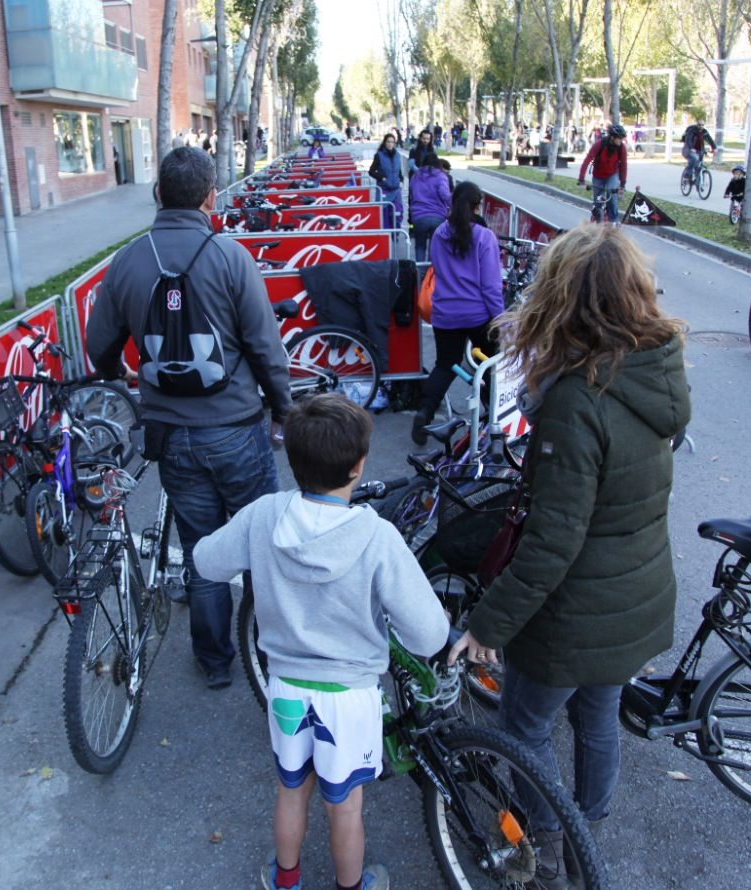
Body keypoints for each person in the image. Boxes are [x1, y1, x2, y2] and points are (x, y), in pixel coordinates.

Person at [447, 225, 691, 890]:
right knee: (597, 710)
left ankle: (550, 852)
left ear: (565, 301)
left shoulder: (576, 401)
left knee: (524, 726)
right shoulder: (653, 369)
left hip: (575, 612)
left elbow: (552, 544)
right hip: (633, 598)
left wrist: (486, 626)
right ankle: (589, 822)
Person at [194, 393, 449, 890]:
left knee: (291, 791)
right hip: (349, 700)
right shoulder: (376, 537)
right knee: (345, 806)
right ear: (358, 466)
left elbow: (206, 561)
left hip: (285, 687)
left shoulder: (264, 515)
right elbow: (427, 634)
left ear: (292, 461)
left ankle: (284, 879)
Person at [85, 147, 292, 690]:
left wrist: (117, 374)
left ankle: (216, 661)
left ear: (157, 195)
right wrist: (284, 411)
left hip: (171, 436)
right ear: (210, 197)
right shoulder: (230, 257)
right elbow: (265, 347)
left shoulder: (127, 261)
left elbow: (99, 346)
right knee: (259, 544)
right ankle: (272, 654)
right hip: (238, 429)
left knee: (205, 551)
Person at [412, 181, 503, 444]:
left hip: (445, 314)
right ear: (478, 206)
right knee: (489, 366)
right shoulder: (485, 238)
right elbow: (491, 287)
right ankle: (491, 418)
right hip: (479, 315)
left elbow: (437, 271)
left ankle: (424, 412)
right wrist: (502, 320)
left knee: (445, 365)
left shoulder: (439, 234)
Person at [577, 123, 629, 223]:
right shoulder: (599, 145)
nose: (621, 140)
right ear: (613, 137)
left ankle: (614, 221)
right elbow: (587, 160)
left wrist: (622, 183)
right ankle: (597, 220)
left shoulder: (621, 148)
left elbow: (624, 165)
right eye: (620, 138)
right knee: (597, 201)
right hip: (598, 175)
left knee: (612, 195)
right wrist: (581, 180)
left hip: (612, 175)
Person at [408, 148, 450, 262]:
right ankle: (430, 275)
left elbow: (411, 194)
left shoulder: (415, 176)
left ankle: (419, 274)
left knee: (420, 246)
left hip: (419, 216)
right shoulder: (441, 176)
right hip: (438, 217)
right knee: (434, 248)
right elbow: (445, 195)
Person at [368, 133, 404, 230]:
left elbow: (399, 172)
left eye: (392, 142)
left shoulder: (397, 155)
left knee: (397, 214)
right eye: (388, 142)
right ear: (384, 143)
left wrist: (401, 181)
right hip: (384, 190)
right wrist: (382, 178)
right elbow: (371, 171)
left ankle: (395, 235)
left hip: (396, 190)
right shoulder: (379, 155)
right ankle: (386, 237)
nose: (390, 144)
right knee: (384, 215)